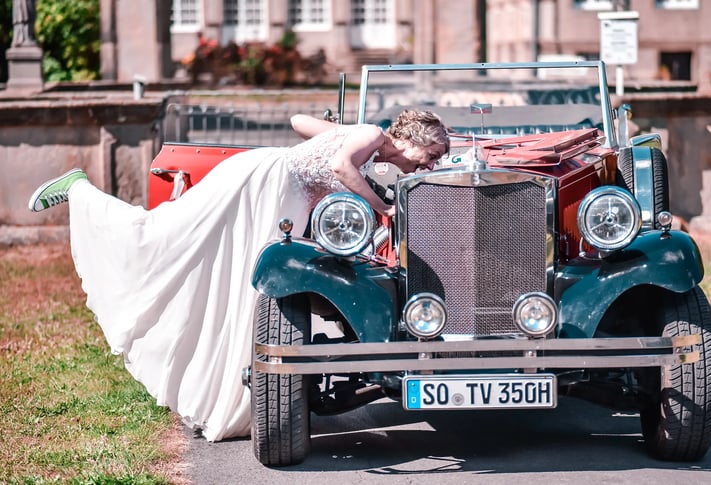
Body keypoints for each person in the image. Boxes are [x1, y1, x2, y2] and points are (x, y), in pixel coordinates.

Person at [26, 109, 450, 442]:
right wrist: (384, 205)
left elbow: (297, 122)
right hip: (264, 185)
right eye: (435, 153)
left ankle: (242, 391)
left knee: (237, 281)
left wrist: (332, 131)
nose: (435, 163)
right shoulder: (372, 136)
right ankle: (82, 191)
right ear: (415, 139)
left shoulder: (367, 143)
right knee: (168, 236)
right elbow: (340, 167)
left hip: (285, 199)